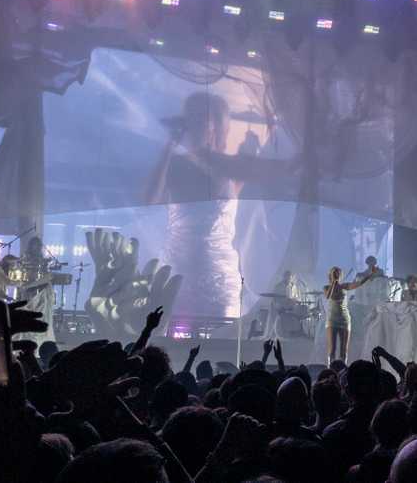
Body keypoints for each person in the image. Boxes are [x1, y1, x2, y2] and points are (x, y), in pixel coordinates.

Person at [147, 92, 295, 321]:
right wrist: (169, 146)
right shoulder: (177, 164)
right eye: (197, 121)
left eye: (208, 122)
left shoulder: (222, 165)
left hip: (217, 276)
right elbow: (150, 200)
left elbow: (269, 171)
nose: (206, 128)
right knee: (173, 329)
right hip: (178, 270)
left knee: (220, 335)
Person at [323, 265, 376, 365]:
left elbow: (359, 283)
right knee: (332, 349)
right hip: (331, 319)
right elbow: (328, 296)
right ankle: (331, 370)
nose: (336, 275)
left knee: (344, 350)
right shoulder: (326, 288)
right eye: (334, 273)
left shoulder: (345, 286)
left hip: (344, 319)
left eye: (338, 273)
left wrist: (370, 274)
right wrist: (334, 283)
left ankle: (343, 370)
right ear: (331, 275)